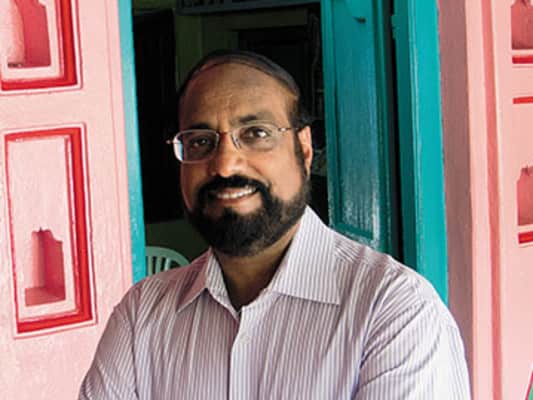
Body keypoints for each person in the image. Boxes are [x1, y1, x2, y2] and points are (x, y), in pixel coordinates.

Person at [79, 50, 471, 399]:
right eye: (200, 141)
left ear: (303, 148)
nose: (225, 164)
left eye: (256, 134)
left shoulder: (392, 310)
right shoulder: (143, 313)